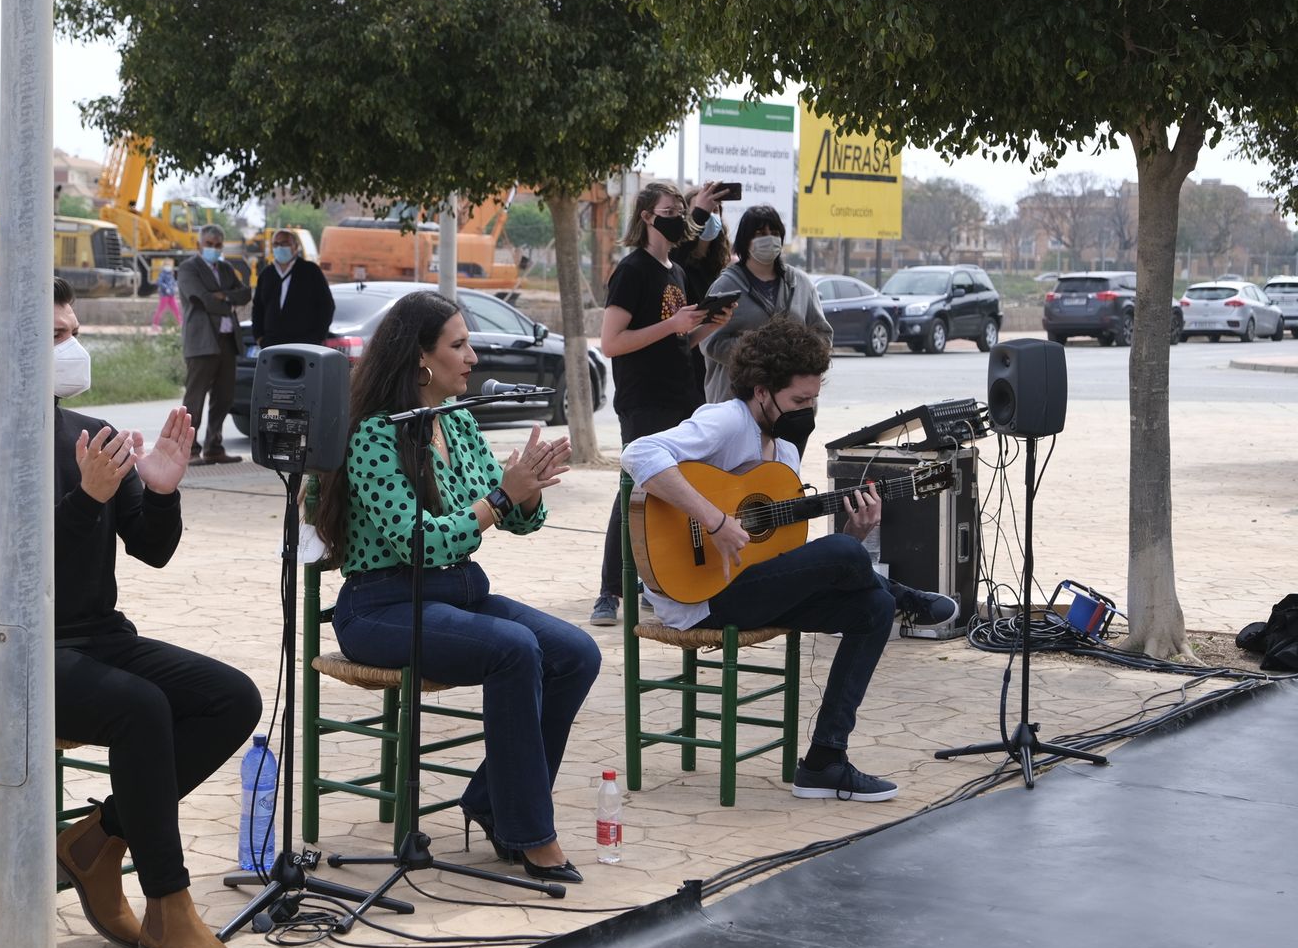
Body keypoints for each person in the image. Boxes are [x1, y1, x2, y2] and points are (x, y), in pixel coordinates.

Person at [0, 277, 260, 948]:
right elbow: (12, 577)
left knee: (232, 697)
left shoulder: (91, 435)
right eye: (55, 337)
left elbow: (153, 547)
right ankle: (170, 910)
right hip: (11, 656)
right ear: (6, 352)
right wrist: (85, 499)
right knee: (141, 709)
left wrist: (163, 490)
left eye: (73, 331)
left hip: (98, 639)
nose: (72, 346)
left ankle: (98, 837)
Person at [311, 291, 600, 882]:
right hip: (381, 605)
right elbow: (419, 545)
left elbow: (520, 520)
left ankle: (493, 804)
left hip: (459, 592)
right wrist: (500, 497)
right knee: (514, 649)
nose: (472, 356)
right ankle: (530, 834)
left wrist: (529, 487)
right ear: (422, 358)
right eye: (459, 345)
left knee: (576, 653)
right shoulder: (373, 435)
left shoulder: (459, 423)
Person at [621, 317, 960, 802]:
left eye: (814, 400)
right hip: (700, 594)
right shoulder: (727, 420)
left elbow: (785, 554)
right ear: (762, 390)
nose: (809, 410)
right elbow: (639, 453)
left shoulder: (782, 451)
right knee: (846, 558)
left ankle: (825, 760)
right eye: (799, 401)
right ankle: (910, 597)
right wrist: (715, 522)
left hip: (752, 586)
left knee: (872, 608)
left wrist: (856, 531)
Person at [590, 180, 735, 626]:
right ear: (649, 217)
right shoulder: (632, 271)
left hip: (683, 396)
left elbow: (679, 340)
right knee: (635, 488)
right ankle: (609, 592)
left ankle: (656, 583)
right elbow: (611, 343)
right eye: (671, 209)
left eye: (680, 209)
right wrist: (672, 323)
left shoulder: (676, 271)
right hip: (644, 399)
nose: (678, 217)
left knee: (676, 491)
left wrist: (708, 326)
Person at [699, 204, 832, 407]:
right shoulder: (725, 286)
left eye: (775, 232)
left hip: (792, 407)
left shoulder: (801, 283)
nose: (769, 238)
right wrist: (762, 358)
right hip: (738, 403)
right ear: (746, 241)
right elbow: (710, 342)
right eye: (760, 233)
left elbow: (823, 335)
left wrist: (798, 357)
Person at [177, 224, 252, 464]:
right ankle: (187, 449)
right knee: (195, 398)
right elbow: (201, 299)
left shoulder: (226, 268)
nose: (213, 248)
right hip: (202, 341)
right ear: (199, 245)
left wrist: (224, 296)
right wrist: (225, 300)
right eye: (209, 244)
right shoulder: (188, 268)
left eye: (218, 245)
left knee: (224, 396)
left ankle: (214, 446)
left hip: (227, 341)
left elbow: (245, 294)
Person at [670, 182, 734, 404]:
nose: (710, 216)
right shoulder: (675, 263)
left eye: (715, 210)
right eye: (703, 210)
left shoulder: (722, 267)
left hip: (713, 365)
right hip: (683, 365)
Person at [251, 228, 335, 348]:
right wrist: (259, 337)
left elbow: (326, 306)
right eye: (276, 244)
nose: (280, 247)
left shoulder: (310, 271)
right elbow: (258, 307)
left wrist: (317, 337)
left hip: (303, 343)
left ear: (295, 247)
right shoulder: (267, 274)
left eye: (284, 243)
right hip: (271, 343)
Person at [151, 264, 182, 332]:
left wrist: (175, 286)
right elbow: (159, 282)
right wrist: (166, 288)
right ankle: (155, 325)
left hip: (171, 295)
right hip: (164, 295)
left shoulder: (171, 274)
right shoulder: (162, 274)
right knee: (160, 310)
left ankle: (180, 324)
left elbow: (173, 282)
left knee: (176, 309)